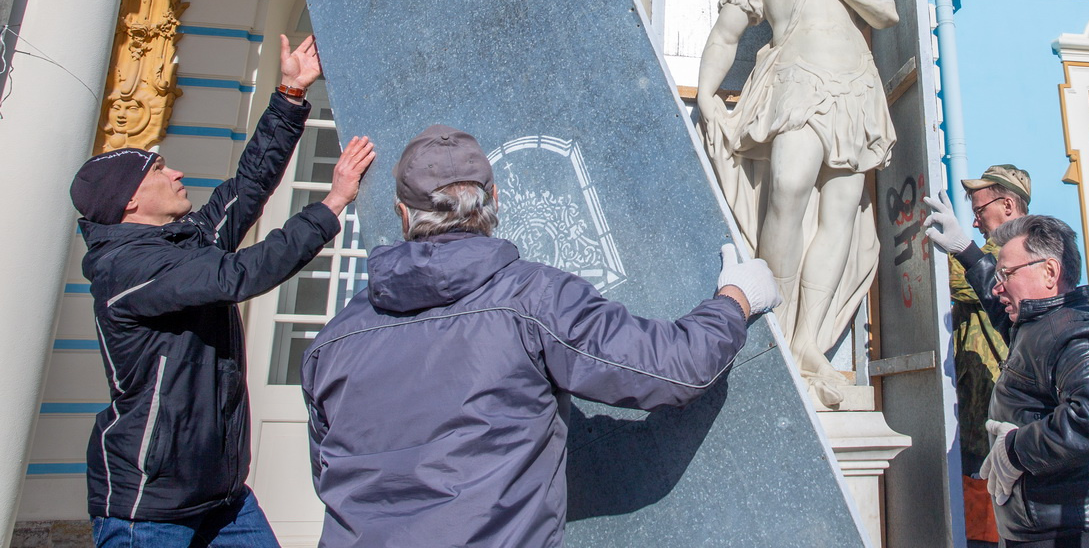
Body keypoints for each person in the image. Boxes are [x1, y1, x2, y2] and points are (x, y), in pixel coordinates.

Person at [301, 124, 781, 547]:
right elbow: (673, 368)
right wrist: (735, 300)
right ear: (495, 203)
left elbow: (328, 472)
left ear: (403, 216)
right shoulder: (534, 301)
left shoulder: (331, 344)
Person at [70, 35, 376, 547]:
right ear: (128, 202)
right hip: (147, 512)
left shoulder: (181, 242)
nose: (176, 171)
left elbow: (247, 189)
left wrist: (291, 94)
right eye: (158, 170)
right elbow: (239, 275)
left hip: (223, 499)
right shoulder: (124, 270)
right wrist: (331, 205)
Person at [696, 0, 898, 406]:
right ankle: (776, 326)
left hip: (855, 88)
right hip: (797, 85)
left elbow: (887, 12)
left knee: (839, 215)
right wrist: (708, 93)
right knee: (786, 191)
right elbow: (725, 36)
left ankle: (808, 339)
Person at [979, 215, 1089, 548]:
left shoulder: (1077, 334)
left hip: (1073, 534)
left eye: (1005, 274)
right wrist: (967, 253)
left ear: (1050, 272)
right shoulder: (1043, 325)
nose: (998, 287)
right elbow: (1003, 312)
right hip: (1050, 529)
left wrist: (1015, 450)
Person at [923, 164, 1031, 548]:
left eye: (979, 207)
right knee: (981, 527)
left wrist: (946, 245)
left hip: (999, 416)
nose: (975, 217)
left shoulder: (1019, 253)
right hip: (980, 417)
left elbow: (953, 280)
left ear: (1007, 205)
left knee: (994, 530)